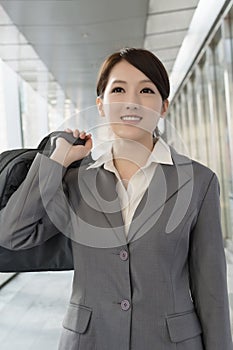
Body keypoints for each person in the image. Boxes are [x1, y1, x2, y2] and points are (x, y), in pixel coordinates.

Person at [0, 47, 232, 350]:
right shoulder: (75, 180)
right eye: (119, 89)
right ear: (101, 104)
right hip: (90, 340)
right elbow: (12, 233)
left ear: (163, 106)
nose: (132, 102)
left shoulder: (199, 182)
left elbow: (211, 290)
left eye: (146, 90)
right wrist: (55, 161)